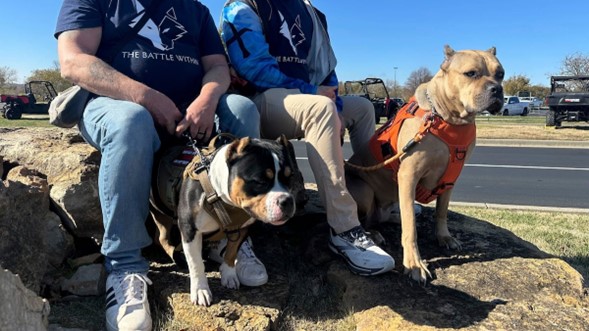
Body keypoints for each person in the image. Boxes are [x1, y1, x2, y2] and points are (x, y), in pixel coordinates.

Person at [55, 0, 267, 330]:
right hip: (114, 104)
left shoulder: (195, 10)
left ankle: (232, 238)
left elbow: (216, 67)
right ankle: (125, 267)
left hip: (190, 111)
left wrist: (206, 100)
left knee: (242, 110)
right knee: (132, 122)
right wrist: (146, 97)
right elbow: (73, 61)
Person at [221, 0, 395, 277]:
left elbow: (328, 75)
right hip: (262, 100)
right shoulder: (244, 6)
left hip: (307, 98)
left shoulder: (313, 13)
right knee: (320, 107)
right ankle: (344, 229)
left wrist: (337, 111)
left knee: (361, 108)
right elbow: (252, 68)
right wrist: (311, 91)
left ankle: (377, 198)